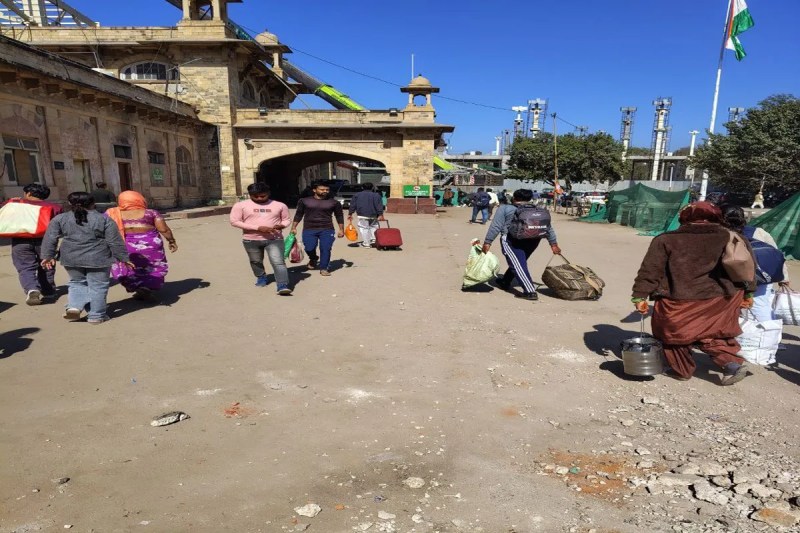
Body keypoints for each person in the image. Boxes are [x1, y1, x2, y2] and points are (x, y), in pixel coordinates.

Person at [631, 201, 754, 385]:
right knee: (713, 332)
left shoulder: (666, 240)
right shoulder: (732, 237)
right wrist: (748, 294)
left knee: (672, 335)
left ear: (685, 217)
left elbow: (651, 270)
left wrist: (639, 295)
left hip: (680, 300)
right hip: (723, 298)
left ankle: (682, 370)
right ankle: (732, 364)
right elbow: (748, 266)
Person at [41, 192, 132, 324]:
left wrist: (47, 256)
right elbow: (114, 241)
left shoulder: (60, 219)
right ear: (92, 203)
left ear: (70, 204)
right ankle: (96, 316)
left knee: (76, 282)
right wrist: (124, 258)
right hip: (98, 257)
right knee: (98, 286)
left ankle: (74, 306)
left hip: (71, 257)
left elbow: (50, 238)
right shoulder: (103, 219)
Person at [482, 189, 561, 301]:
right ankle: (505, 281)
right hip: (534, 240)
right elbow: (548, 228)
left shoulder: (505, 208)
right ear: (529, 199)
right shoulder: (537, 210)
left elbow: (496, 226)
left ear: (514, 198)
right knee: (518, 262)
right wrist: (553, 244)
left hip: (511, 240)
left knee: (518, 264)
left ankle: (530, 291)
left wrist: (487, 242)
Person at [721, 205, 789, 323]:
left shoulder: (720, 234)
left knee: (736, 307)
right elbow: (775, 254)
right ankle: (768, 334)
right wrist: (784, 278)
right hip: (762, 277)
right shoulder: (758, 232)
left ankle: (765, 335)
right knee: (761, 305)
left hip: (731, 278)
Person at [105, 191, 177, 300]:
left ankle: (138, 286)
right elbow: (164, 229)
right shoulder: (151, 213)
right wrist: (171, 241)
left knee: (129, 268)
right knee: (154, 266)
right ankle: (148, 286)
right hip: (150, 245)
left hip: (125, 246)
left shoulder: (113, 214)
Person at [5, 184, 63, 305]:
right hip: (46, 241)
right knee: (47, 265)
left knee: (25, 266)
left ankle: (32, 288)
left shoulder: (15, 205)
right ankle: (48, 291)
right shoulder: (55, 207)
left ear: (29, 194)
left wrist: (10, 201)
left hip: (20, 240)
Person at [229, 182, 292, 294]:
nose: (259, 198)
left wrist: (282, 225)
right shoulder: (240, 205)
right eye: (255, 196)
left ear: (268, 193)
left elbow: (286, 219)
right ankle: (261, 276)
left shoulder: (280, 205)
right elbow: (234, 221)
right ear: (250, 194)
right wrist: (258, 228)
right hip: (251, 239)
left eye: (263, 196)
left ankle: (282, 285)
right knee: (255, 261)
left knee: (278, 262)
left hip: (274, 239)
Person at [290, 181, 345, 277]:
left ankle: (324, 268)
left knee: (326, 248)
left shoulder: (334, 202)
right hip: (309, 229)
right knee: (309, 248)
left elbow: (339, 216)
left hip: (327, 229)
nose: (325, 191)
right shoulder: (304, 201)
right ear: (314, 190)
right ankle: (313, 258)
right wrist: (293, 227)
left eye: (327, 189)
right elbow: (299, 214)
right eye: (322, 189)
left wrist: (341, 229)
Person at [348, 182, 385, 248]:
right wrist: (380, 214)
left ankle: (366, 243)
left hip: (362, 214)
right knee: (374, 227)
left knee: (364, 228)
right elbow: (379, 205)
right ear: (372, 188)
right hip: (373, 215)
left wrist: (350, 213)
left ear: (362, 187)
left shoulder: (357, 195)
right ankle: (374, 240)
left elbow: (353, 205)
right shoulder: (376, 195)